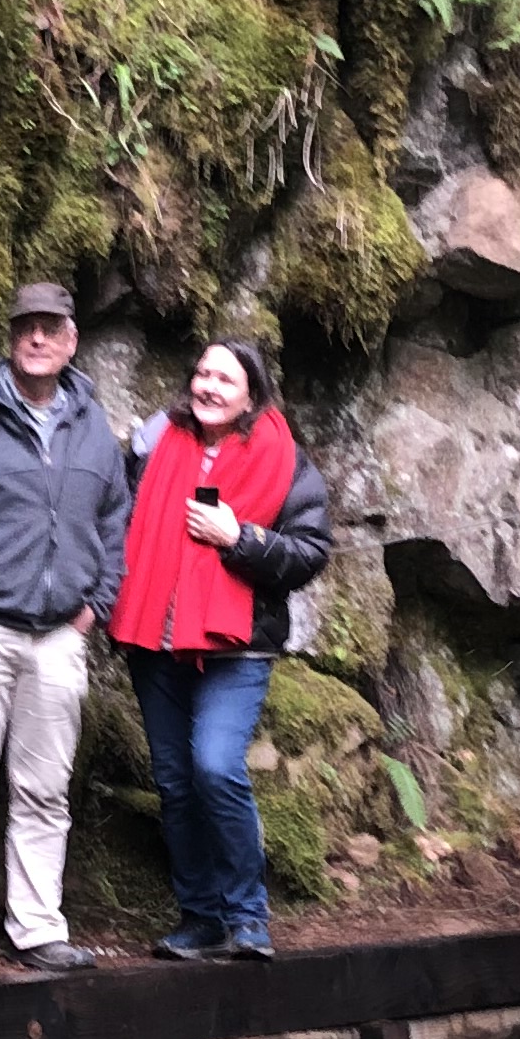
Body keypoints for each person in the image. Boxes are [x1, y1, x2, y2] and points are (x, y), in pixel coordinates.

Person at [0, 280, 131, 975]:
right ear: (11, 337)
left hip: (60, 633)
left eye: (51, 327)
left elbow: (114, 518)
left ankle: (38, 926)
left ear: (72, 340)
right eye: (26, 327)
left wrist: (96, 604)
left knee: (45, 788)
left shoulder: (91, 421)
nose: (37, 338)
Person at [114, 338, 332, 963]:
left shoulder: (284, 458)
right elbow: (116, 517)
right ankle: (201, 918)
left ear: (251, 395)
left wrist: (241, 538)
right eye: (202, 374)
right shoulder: (155, 441)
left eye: (225, 379)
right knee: (175, 782)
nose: (208, 387)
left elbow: (310, 551)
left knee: (214, 766)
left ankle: (247, 915)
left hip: (236, 645)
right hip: (154, 637)